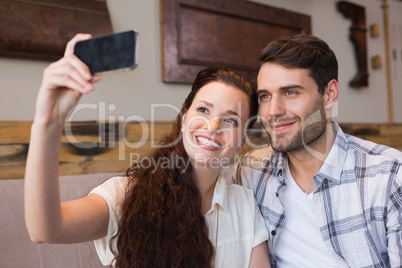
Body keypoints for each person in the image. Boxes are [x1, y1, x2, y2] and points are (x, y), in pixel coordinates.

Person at [24, 34, 271, 268]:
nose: (213, 126)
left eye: (231, 120)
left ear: (243, 141)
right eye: (203, 110)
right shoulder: (127, 195)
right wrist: (48, 122)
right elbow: (46, 229)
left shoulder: (244, 204)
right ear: (184, 120)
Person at [234, 34, 402, 268]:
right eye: (265, 96)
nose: (273, 111)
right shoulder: (250, 171)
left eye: (291, 92)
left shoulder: (390, 176)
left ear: (329, 94)